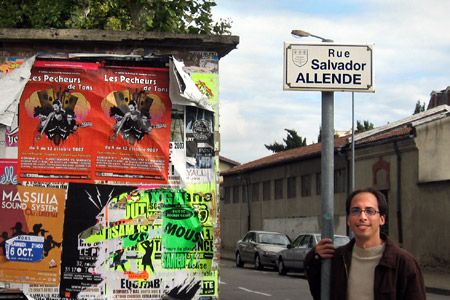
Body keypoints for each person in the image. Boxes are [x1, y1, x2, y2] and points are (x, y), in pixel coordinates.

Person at [304, 187, 426, 300]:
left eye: (370, 211)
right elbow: (320, 294)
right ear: (348, 220)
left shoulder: (403, 263)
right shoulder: (338, 259)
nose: (362, 217)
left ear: (382, 219)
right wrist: (314, 256)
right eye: (355, 211)